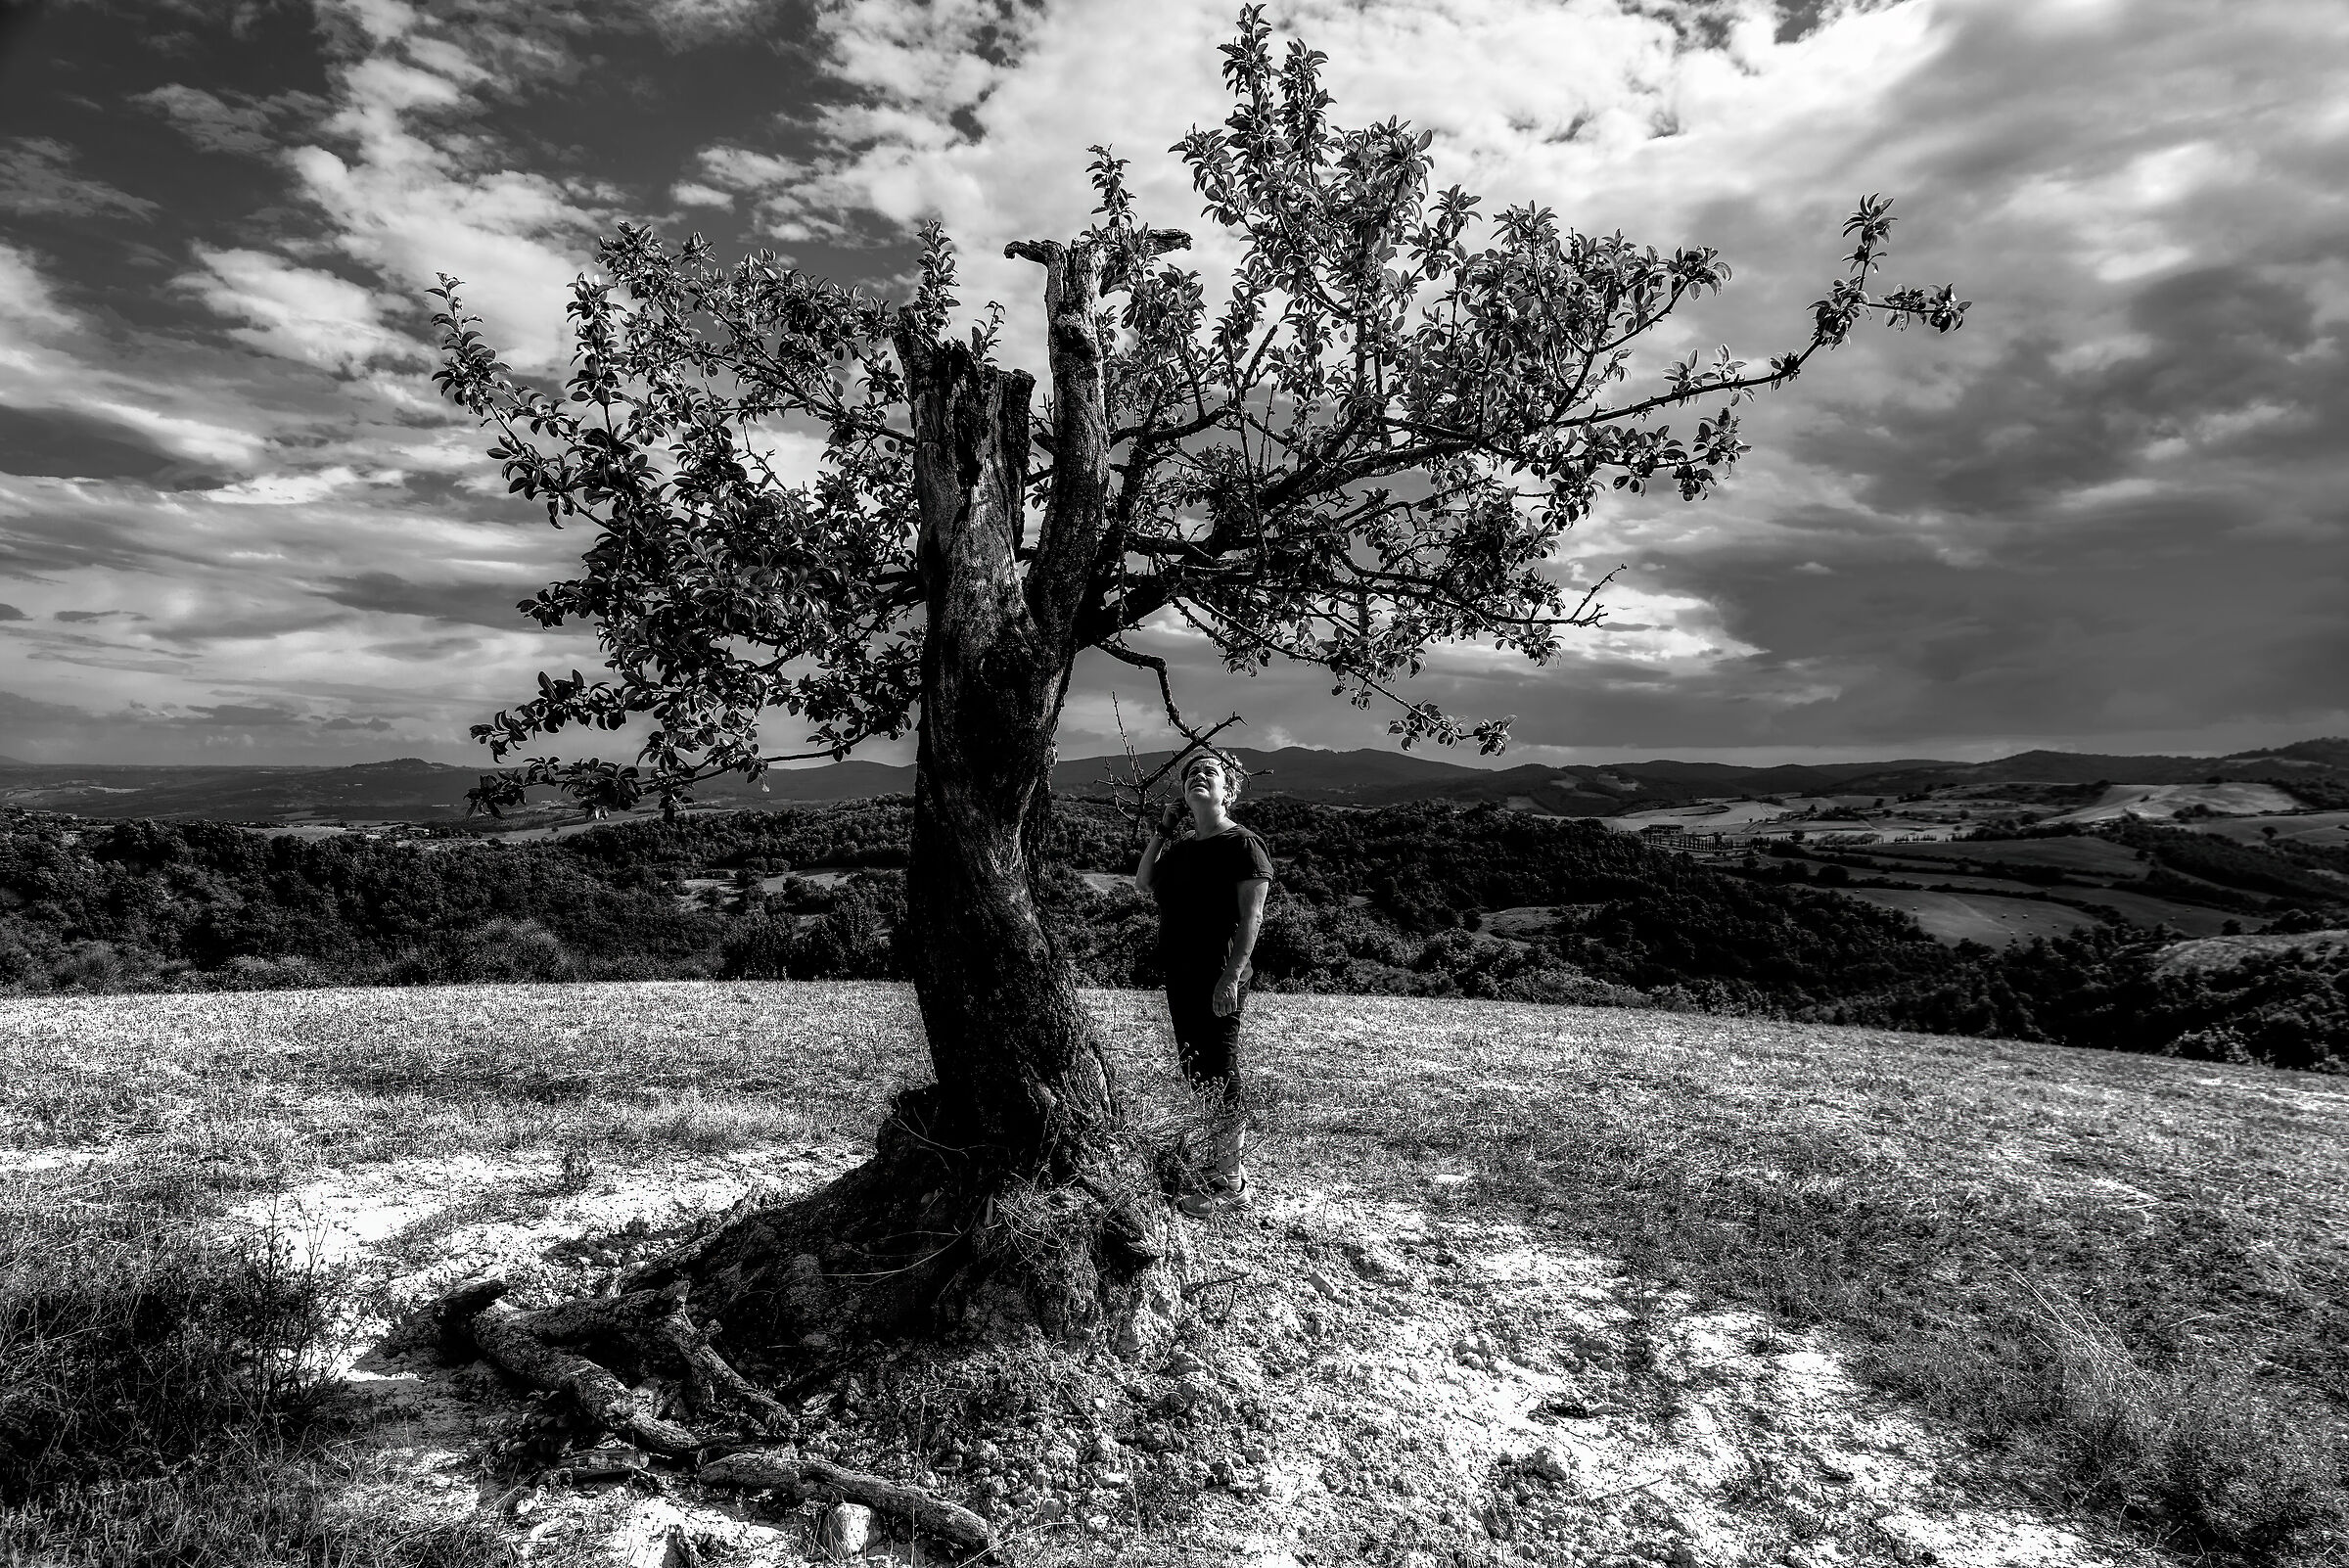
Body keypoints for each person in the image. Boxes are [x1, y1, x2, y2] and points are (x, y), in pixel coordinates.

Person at [1132, 749, 1273, 1212]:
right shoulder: (1183, 849)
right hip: (1181, 972)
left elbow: (1251, 920)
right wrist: (1163, 830)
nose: (1199, 776)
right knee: (1198, 1069)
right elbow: (1144, 882)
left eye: (1210, 772)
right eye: (1191, 773)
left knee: (1221, 1065)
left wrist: (1232, 976)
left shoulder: (1244, 845)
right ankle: (1218, 1162)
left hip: (1219, 974)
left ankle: (1231, 1182)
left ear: (1228, 792)